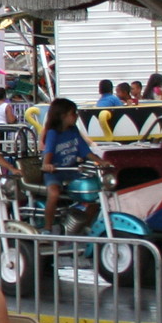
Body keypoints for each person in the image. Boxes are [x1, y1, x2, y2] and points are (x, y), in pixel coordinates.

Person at [41, 96, 96, 231]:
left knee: (97, 193)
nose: (76, 116)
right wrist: (47, 164)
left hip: (72, 171)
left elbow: (85, 151)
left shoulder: (74, 131)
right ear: (62, 116)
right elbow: (48, 152)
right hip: (55, 173)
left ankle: (84, 225)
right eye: (73, 113)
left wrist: (101, 161)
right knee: (54, 193)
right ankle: (47, 228)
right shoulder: (53, 133)